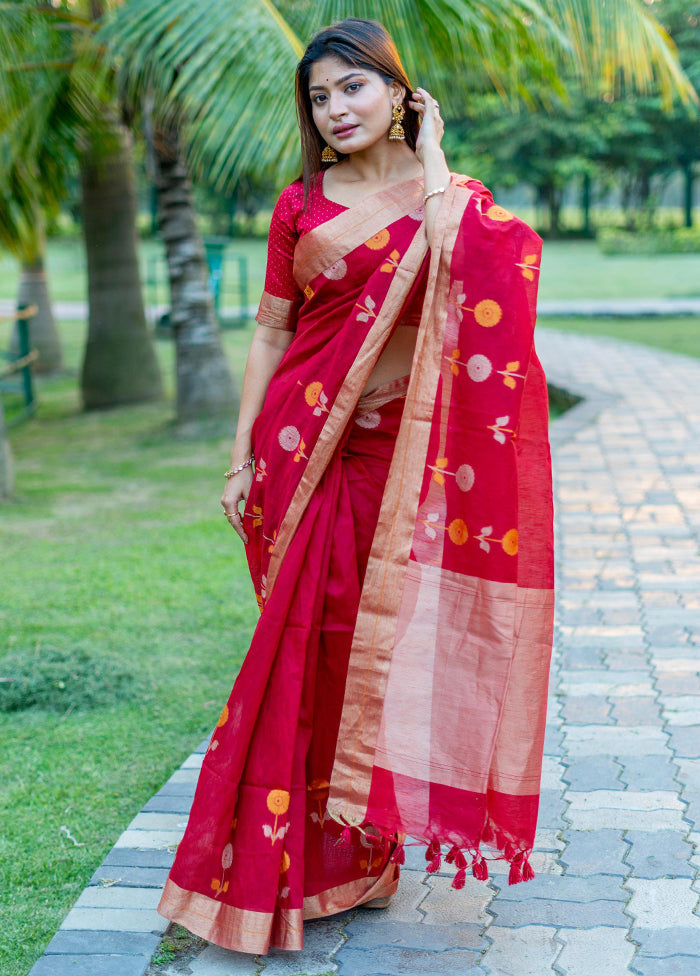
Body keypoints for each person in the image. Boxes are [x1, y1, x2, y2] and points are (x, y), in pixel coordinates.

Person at [158, 17, 554, 956]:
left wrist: (437, 157)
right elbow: (269, 332)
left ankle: (360, 856)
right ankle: (278, 865)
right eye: (319, 97)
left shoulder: (448, 199)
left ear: (398, 92)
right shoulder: (299, 205)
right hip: (301, 454)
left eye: (353, 88)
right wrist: (239, 454)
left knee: (362, 651)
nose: (335, 109)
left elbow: (497, 274)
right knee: (299, 648)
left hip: (397, 464)